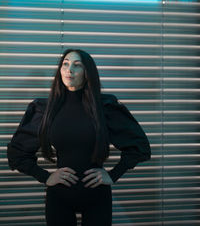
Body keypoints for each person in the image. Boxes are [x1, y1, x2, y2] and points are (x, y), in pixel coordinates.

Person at [7, 48, 151, 226]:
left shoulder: (104, 107)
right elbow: (17, 152)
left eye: (77, 65)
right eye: (65, 64)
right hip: (59, 198)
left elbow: (139, 146)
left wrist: (113, 175)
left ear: (87, 72)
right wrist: (45, 176)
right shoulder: (45, 109)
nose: (69, 70)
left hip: (97, 197)